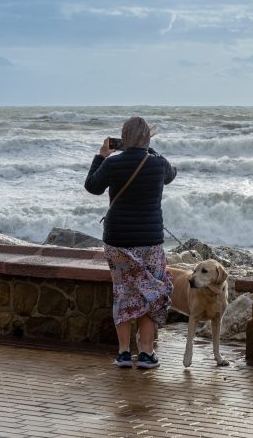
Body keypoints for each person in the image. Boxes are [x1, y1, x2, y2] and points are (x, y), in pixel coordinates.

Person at [84, 116, 177, 369]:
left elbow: (92, 186)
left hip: (117, 240)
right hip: (149, 240)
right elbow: (171, 174)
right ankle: (146, 353)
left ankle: (124, 353)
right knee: (151, 293)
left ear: (123, 137)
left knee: (123, 293)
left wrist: (101, 156)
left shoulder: (112, 163)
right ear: (148, 137)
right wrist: (149, 151)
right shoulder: (157, 163)